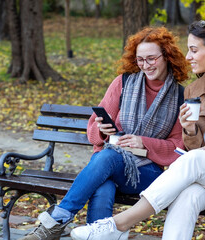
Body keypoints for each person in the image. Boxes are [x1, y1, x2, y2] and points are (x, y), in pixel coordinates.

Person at [69, 20, 205, 240]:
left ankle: (119, 224)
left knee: (197, 159)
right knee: (186, 197)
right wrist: (190, 131)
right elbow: (192, 148)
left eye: (194, 50)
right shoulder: (194, 91)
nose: (188, 56)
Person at [19, 26, 189, 240]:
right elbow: (93, 128)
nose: (146, 65)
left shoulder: (179, 96)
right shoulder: (124, 83)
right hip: (108, 166)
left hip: (148, 173)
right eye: (140, 60)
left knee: (107, 156)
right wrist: (102, 130)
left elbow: (177, 145)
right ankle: (92, 233)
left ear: (167, 56)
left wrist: (142, 142)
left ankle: (56, 221)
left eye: (151, 59)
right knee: (104, 185)